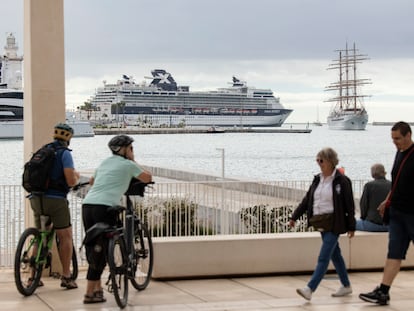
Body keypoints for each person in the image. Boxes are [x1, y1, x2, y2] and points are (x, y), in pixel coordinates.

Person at [81, 135, 152, 304]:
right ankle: (89, 292)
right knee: (102, 248)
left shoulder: (104, 163)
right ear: (124, 150)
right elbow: (147, 177)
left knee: (94, 247)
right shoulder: (128, 165)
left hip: (88, 205)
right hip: (104, 208)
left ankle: (97, 290)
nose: (132, 151)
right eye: (131, 148)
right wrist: (134, 161)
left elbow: (92, 181)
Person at [289, 147, 356, 301]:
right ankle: (346, 286)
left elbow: (349, 205)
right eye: (317, 160)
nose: (319, 163)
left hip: (335, 223)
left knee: (323, 257)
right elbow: (307, 200)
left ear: (331, 161)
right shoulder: (317, 179)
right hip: (321, 222)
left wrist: (351, 226)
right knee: (336, 255)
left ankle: (310, 288)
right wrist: (295, 217)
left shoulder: (342, 181)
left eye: (322, 160)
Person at [359, 121, 414, 305]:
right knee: (394, 253)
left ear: (408, 135)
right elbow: (397, 181)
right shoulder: (399, 153)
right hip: (397, 213)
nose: (395, 142)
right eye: (392, 139)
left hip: (412, 214)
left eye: (398, 138)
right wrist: (387, 200)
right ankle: (383, 291)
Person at [29, 123, 81, 289]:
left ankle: (32, 277)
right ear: (69, 138)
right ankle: (66, 276)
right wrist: (77, 177)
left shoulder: (42, 151)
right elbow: (71, 181)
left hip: (36, 199)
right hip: (56, 200)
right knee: (65, 236)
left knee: (40, 235)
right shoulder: (64, 154)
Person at [356, 163, 391, 232]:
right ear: (384, 173)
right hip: (389, 225)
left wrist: (363, 218)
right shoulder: (392, 185)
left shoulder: (369, 186)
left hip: (373, 224)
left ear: (372, 174)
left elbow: (364, 205)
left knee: (352, 223)